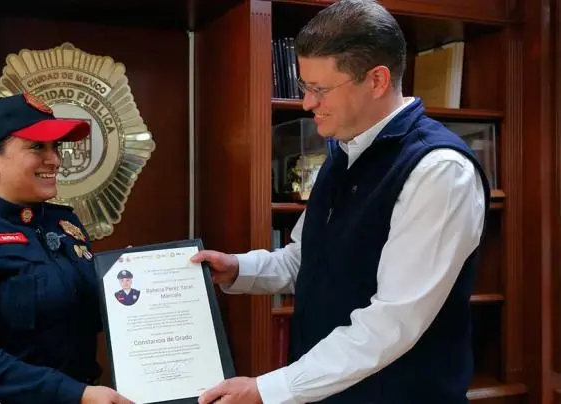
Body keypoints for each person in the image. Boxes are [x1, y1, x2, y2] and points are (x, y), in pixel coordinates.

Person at [192, 1, 491, 403]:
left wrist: (269, 389)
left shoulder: (438, 171)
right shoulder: (343, 153)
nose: (306, 104)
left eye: (319, 90)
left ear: (377, 81)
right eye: (304, 88)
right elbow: (306, 259)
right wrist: (237, 269)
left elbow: (394, 320)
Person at [0, 92, 134, 404]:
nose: (55, 159)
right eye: (37, 147)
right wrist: (76, 395)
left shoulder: (65, 224)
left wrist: (138, 279)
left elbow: (85, 319)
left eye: (55, 147)